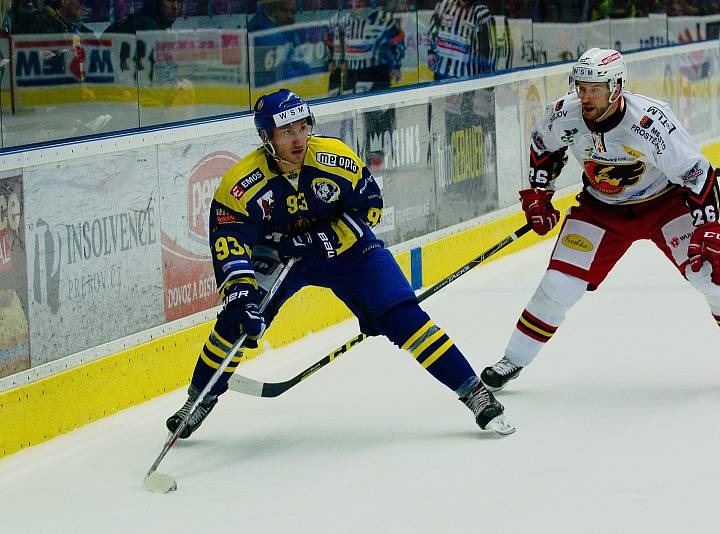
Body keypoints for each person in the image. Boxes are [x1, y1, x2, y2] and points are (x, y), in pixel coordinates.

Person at [166, 89, 515, 438]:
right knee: (237, 319)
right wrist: (240, 291)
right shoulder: (241, 184)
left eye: (302, 127)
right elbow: (230, 241)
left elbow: (370, 206)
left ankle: (474, 392)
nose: (298, 138)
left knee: (403, 316)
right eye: (286, 132)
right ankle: (198, 400)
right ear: (265, 138)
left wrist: (322, 240)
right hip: (280, 256)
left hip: (348, 251)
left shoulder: (334, 158)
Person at [481, 48, 720, 392]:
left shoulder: (650, 121)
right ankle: (512, 359)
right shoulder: (565, 114)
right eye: (581, 87)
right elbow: (543, 146)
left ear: (616, 87)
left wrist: (708, 228)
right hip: (601, 210)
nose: (585, 96)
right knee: (558, 286)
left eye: (595, 88)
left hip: (664, 204)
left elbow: (697, 172)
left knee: (709, 273)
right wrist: (541, 193)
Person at [325, 0, 405, 95]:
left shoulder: (383, 19)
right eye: (354, 0)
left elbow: (398, 41)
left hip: (378, 74)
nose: (357, 3)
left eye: (361, 0)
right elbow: (330, 39)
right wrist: (333, 60)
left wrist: (396, 66)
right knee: (350, 105)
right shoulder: (343, 20)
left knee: (379, 107)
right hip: (351, 74)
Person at [427, 0, 497, 80]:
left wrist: (488, 77)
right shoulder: (444, 5)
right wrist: (431, 52)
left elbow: (490, 49)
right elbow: (432, 31)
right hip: (441, 72)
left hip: (466, 78)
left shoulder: (482, 13)